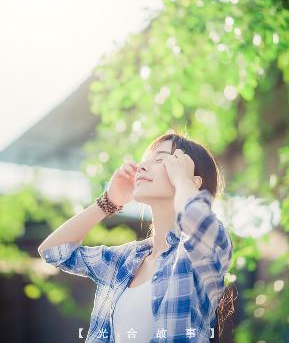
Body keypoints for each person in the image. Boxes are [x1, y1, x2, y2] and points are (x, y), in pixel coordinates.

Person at [38, 132, 234, 342]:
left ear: (193, 180)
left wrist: (183, 180)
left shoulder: (198, 255)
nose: (141, 167)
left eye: (160, 159)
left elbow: (199, 222)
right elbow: (53, 251)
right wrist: (109, 201)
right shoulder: (126, 259)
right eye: (144, 160)